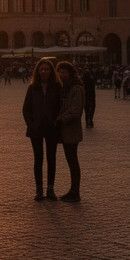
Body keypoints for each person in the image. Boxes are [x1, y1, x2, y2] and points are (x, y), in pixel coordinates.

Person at [22, 59, 62, 201]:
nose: (44, 72)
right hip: (36, 129)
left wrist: (56, 120)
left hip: (51, 128)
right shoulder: (33, 88)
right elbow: (26, 109)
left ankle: (50, 189)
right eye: (41, 69)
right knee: (38, 159)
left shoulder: (57, 87)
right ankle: (39, 190)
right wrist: (31, 125)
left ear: (51, 71)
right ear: (37, 72)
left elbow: (61, 106)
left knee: (51, 159)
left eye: (47, 69)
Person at [56, 62, 85, 202]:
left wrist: (60, 119)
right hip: (66, 130)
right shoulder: (65, 88)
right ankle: (73, 190)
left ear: (71, 73)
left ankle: (75, 192)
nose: (62, 75)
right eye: (60, 72)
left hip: (71, 130)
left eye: (64, 72)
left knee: (73, 161)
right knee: (71, 160)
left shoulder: (76, 88)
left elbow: (75, 111)